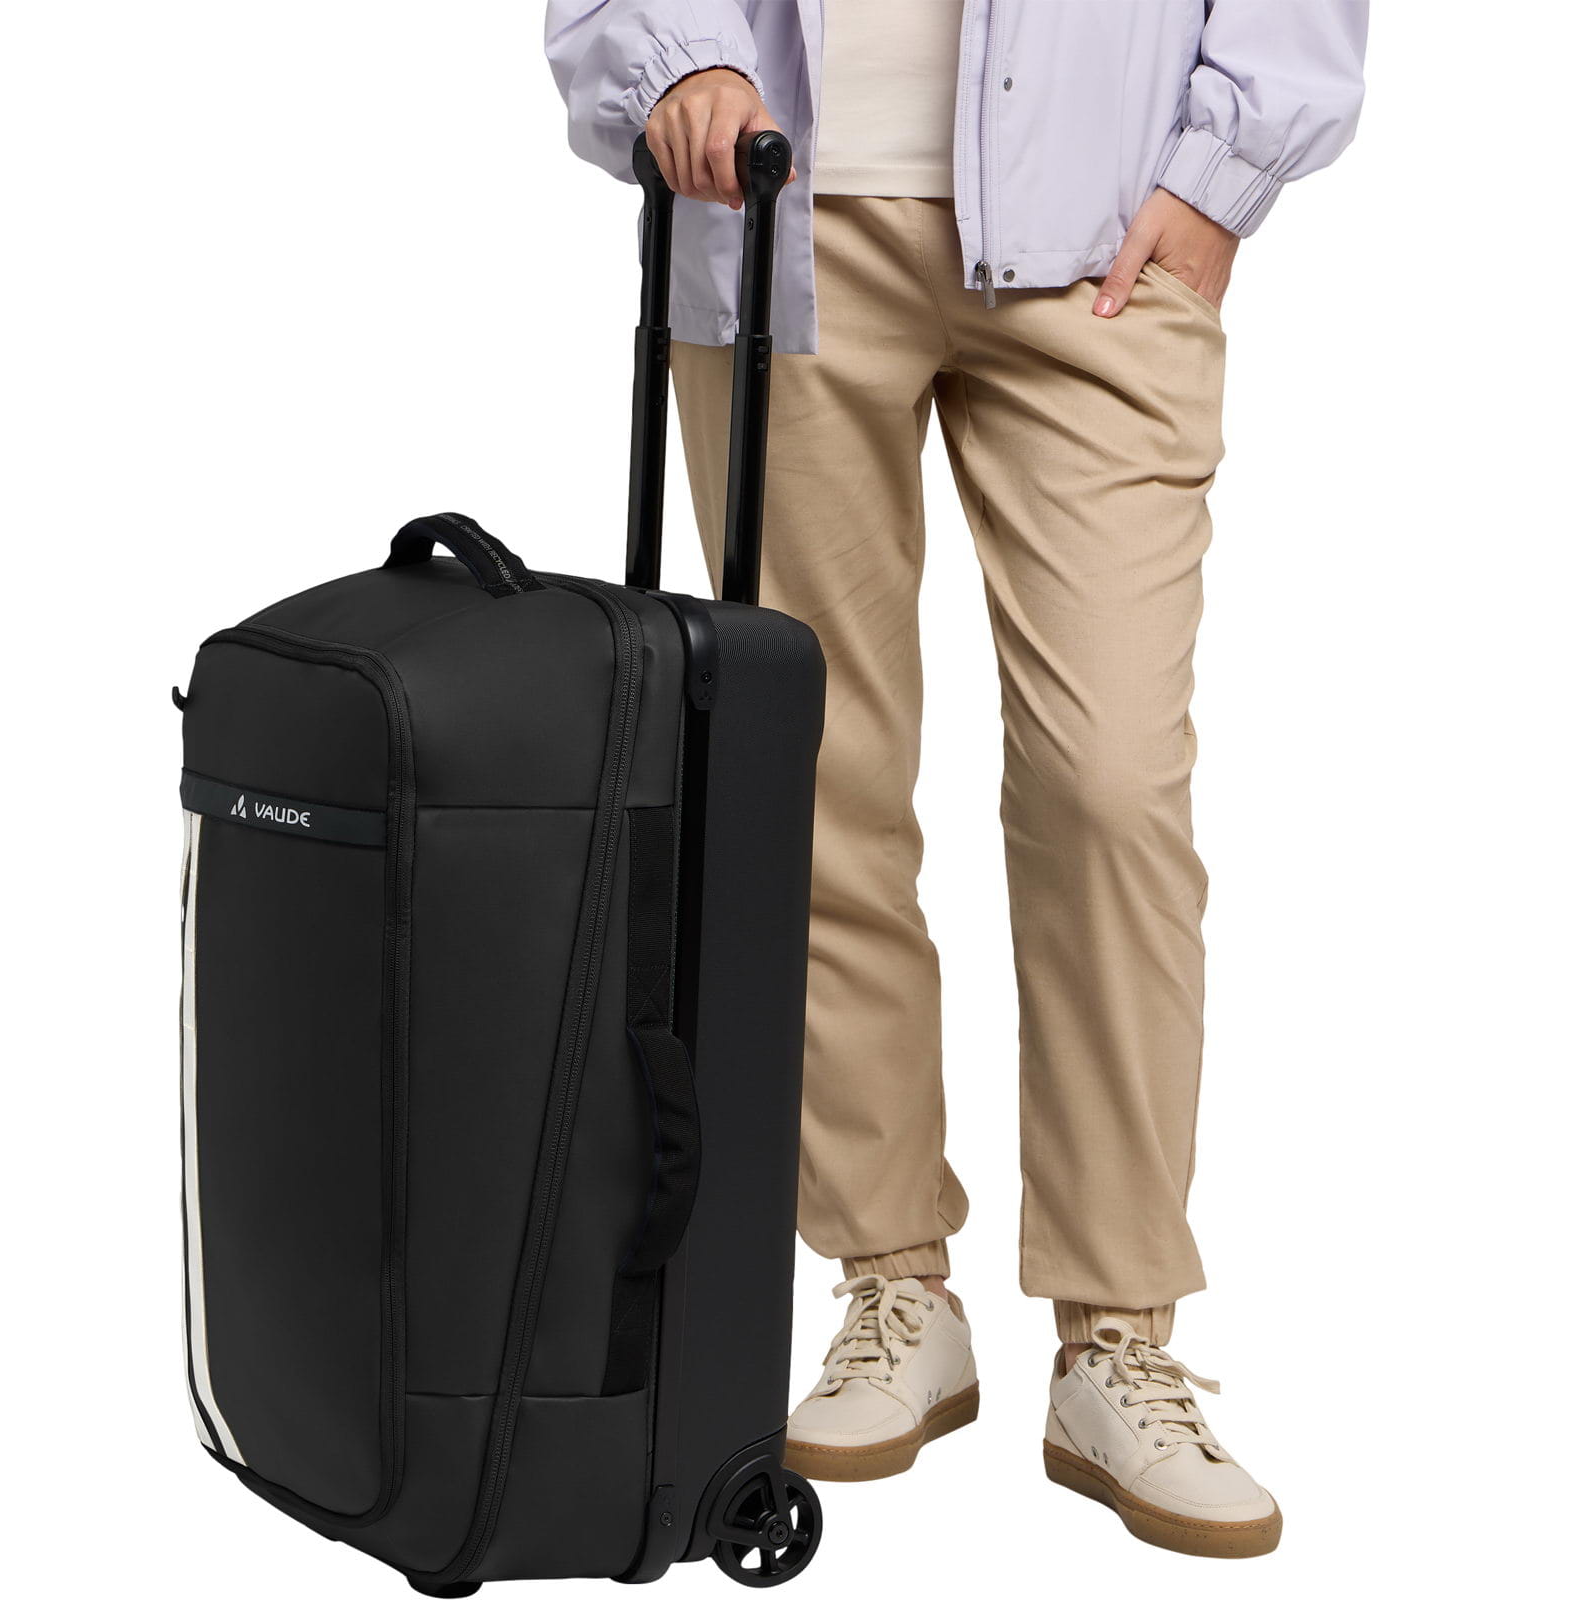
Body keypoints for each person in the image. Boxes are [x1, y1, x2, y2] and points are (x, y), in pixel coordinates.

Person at [547, 0, 1366, 1558]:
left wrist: (1222, 174)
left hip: (1107, 234)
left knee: (1112, 786)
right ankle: (890, 1282)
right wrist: (674, 56)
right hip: (781, 212)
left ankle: (1118, 1332)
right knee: (817, 785)